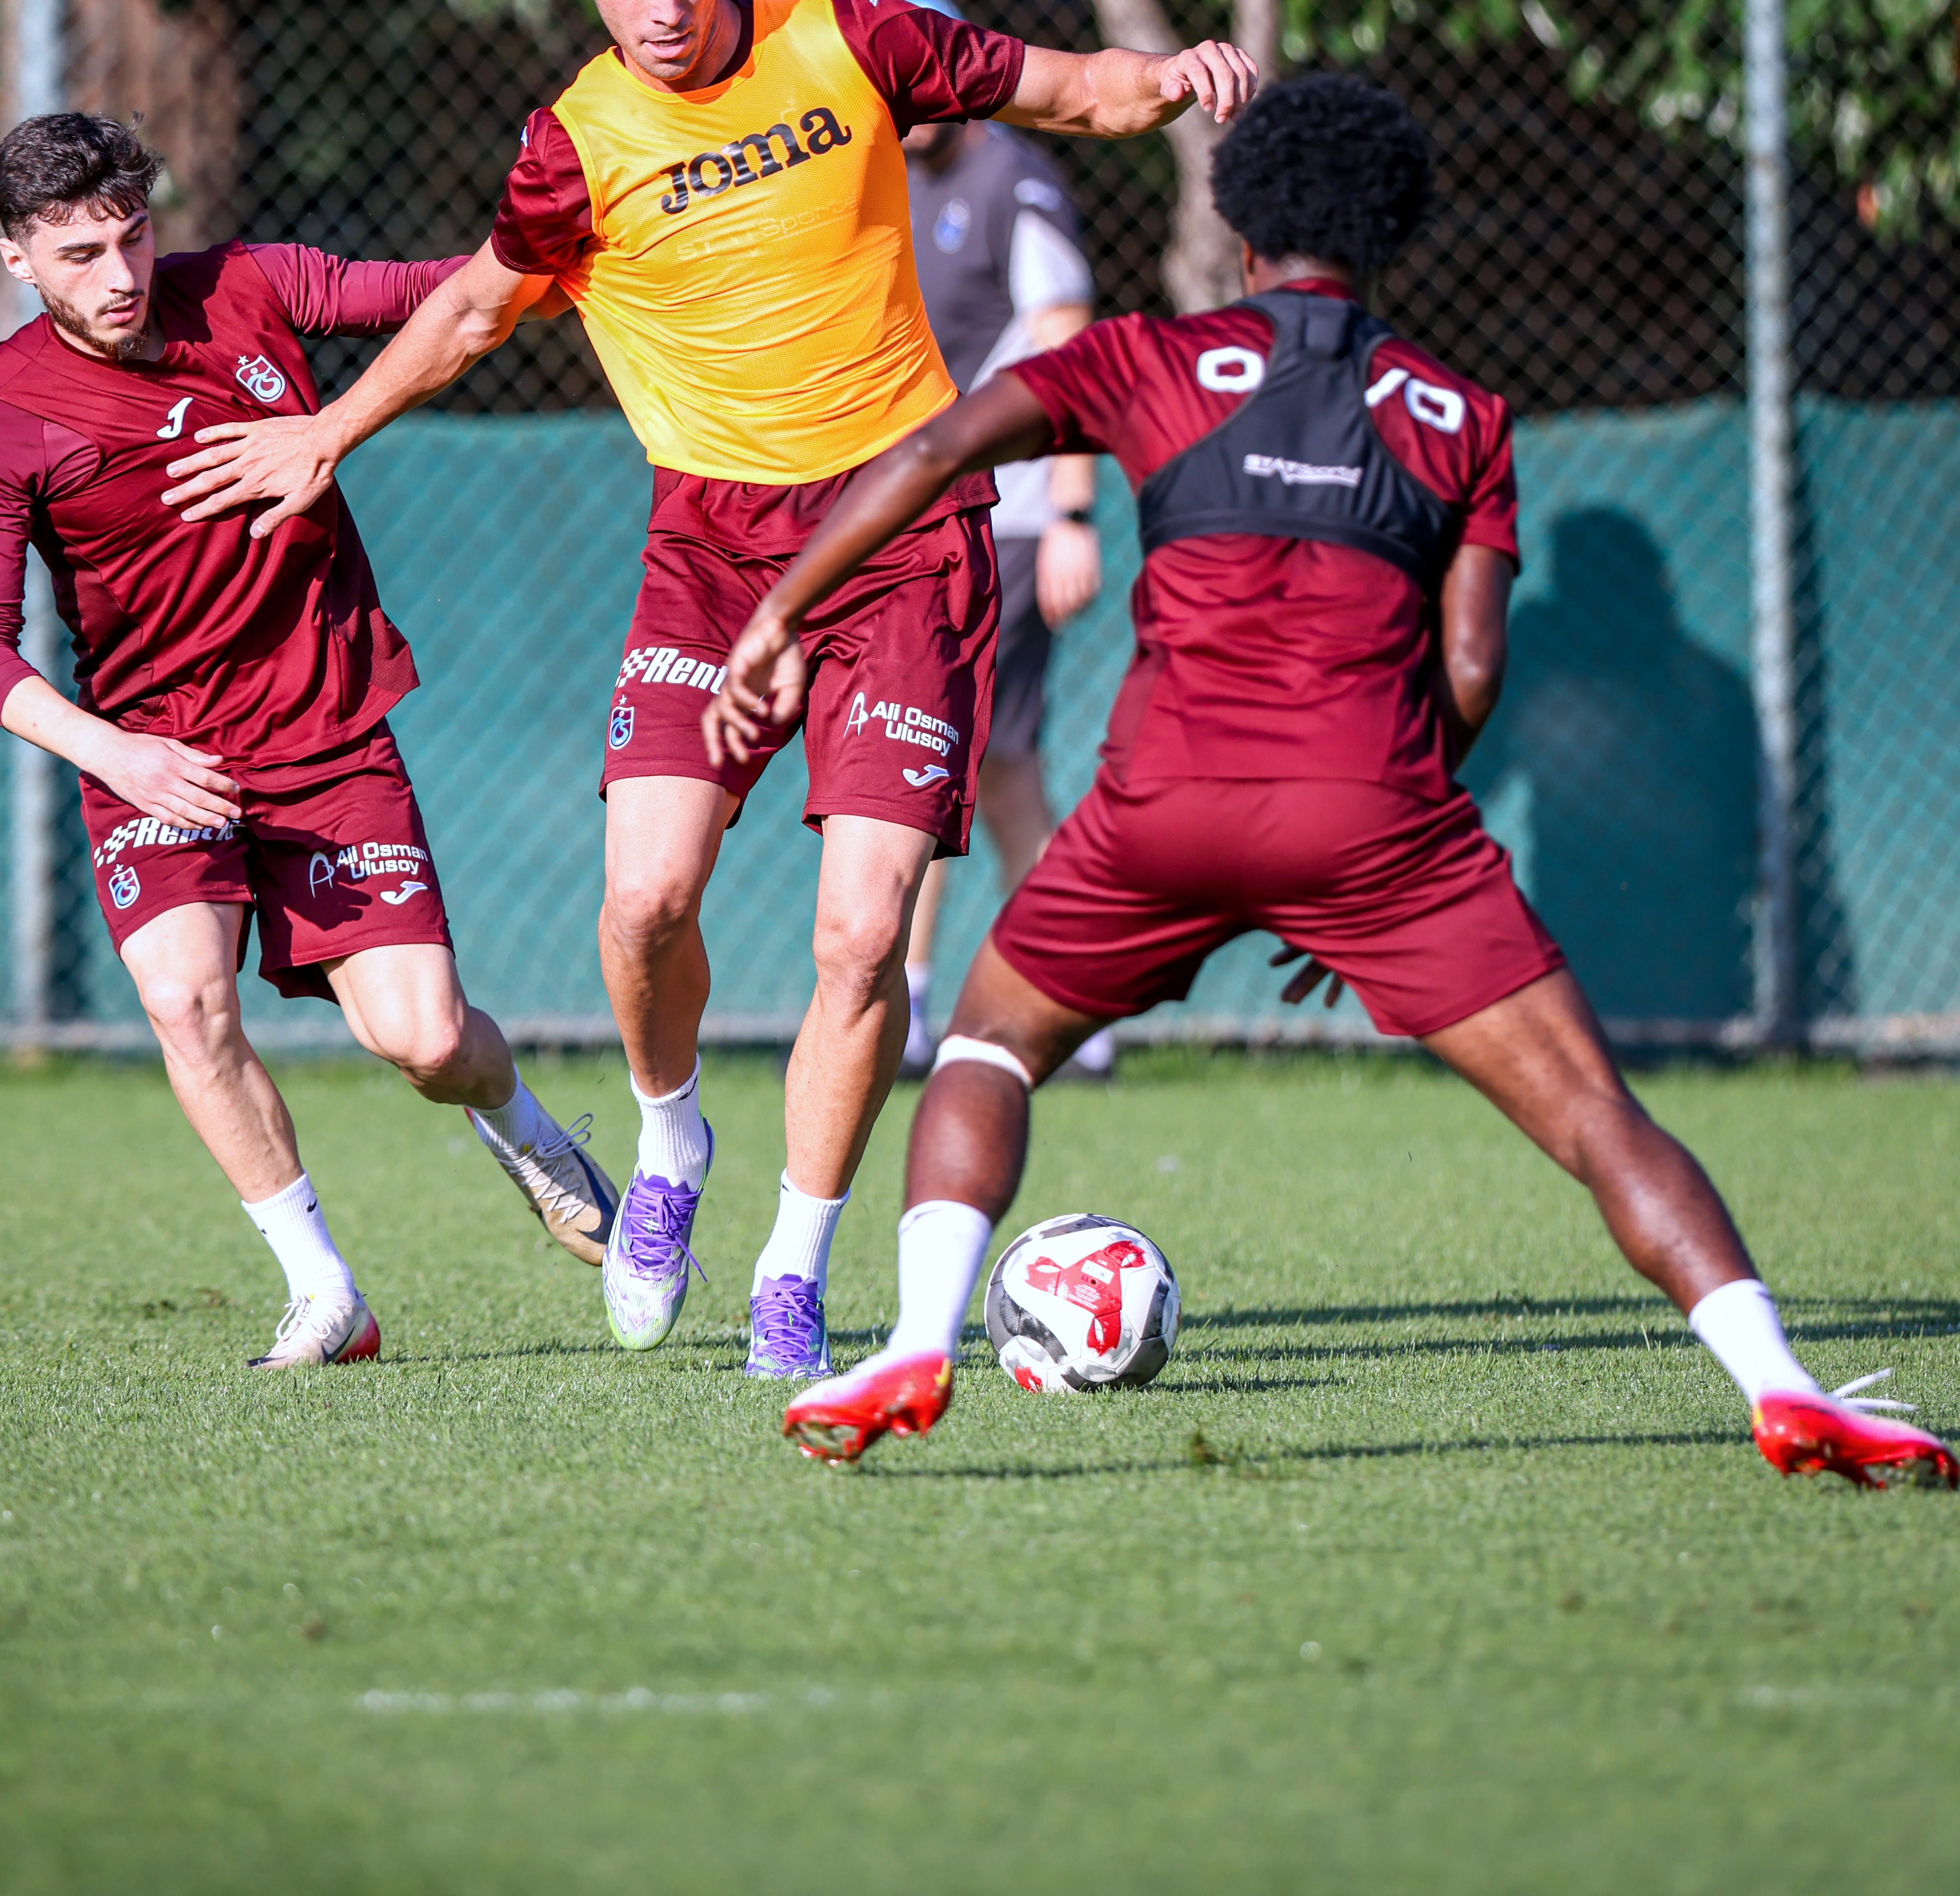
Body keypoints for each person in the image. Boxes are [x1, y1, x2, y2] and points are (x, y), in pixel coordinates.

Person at [706, 76, 1958, 1490]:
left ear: (1242, 231)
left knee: (986, 1047)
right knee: (1595, 1114)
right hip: (1378, 814)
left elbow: (933, 447)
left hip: (1164, 803)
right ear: (1389, 241)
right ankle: (1780, 1384)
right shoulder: (1461, 415)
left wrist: (779, 613)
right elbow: (1469, 666)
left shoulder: (1149, 359)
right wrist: (1380, 847)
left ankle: (915, 1344)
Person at [160, 0, 1258, 1384]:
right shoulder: (574, 146)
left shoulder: (856, 44)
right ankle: (669, 1139)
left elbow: (1070, 87)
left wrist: (1174, 77)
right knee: (644, 904)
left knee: (862, 937)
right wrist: (326, 431)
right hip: (711, 554)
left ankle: (792, 1267)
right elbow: (471, 310)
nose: (665, 5)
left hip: (904, 533)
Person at [0, 113, 618, 1371]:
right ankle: (323, 1290)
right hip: (157, 759)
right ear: (18, 259)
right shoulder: (1, 417)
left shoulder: (250, 287)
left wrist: (587, 235)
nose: (120, 275)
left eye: (133, 237)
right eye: (80, 254)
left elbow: (446, 294)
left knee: (424, 1042)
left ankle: (525, 1130)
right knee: (185, 1002)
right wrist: (115, 754)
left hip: (324, 733)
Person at [888, 0, 1107, 1080]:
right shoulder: (881, 179)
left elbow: (1070, 347)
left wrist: (1072, 511)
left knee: (926, 753)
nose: (903, 102)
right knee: (1004, 764)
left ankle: (907, 1004)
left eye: (918, 77)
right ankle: (1083, 998)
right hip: (925, 511)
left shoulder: (1014, 180)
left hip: (1005, 517)